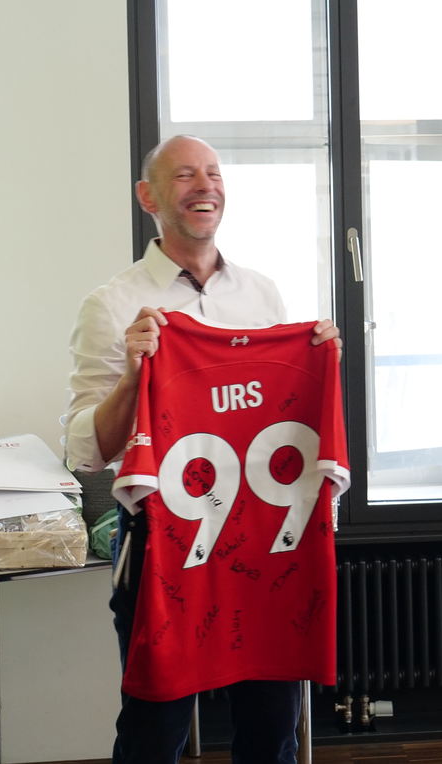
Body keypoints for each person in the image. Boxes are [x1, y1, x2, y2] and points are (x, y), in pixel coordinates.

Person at [64, 134, 340, 764]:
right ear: (149, 197)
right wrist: (134, 378)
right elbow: (86, 452)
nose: (205, 186)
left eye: (213, 173)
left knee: (271, 728)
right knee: (153, 729)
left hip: (262, 538)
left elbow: (283, 416)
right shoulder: (111, 305)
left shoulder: (263, 294)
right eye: (185, 175)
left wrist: (317, 364)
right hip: (162, 541)